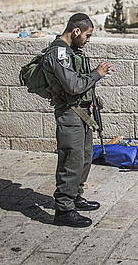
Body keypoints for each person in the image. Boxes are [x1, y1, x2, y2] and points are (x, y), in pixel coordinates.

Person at [43, 13, 112, 227]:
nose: (88, 40)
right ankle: (63, 209)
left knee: (84, 157)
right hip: (69, 114)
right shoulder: (59, 53)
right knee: (70, 160)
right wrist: (96, 74)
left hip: (82, 113)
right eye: (87, 35)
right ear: (76, 31)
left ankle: (74, 196)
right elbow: (72, 86)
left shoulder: (71, 51)